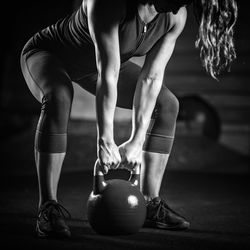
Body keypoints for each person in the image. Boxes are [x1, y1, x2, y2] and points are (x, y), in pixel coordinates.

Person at [20, 0, 238, 238]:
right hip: (50, 54)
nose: (178, 6)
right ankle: (48, 207)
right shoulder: (109, 5)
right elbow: (109, 73)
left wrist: (137, 140)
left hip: (94, 67)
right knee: (59, 96)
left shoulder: (175, 17)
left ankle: (149, 203)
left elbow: (151, 79)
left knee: (167, 105)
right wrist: (105, 140)